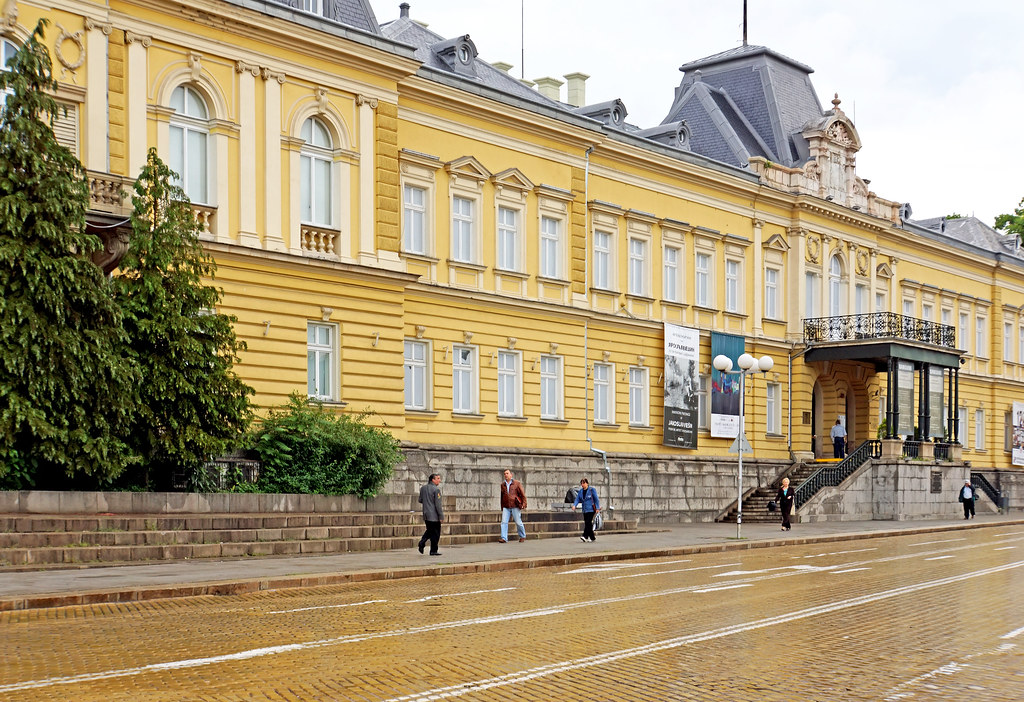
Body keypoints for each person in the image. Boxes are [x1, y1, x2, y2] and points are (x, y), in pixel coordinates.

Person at [417, 473, 444, 556]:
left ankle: (424, 544)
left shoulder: (423, 488)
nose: (439, 480)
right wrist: (441, 516)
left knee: (430, 530)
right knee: (435, 533)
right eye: (438, 478)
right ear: (433, 480)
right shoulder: (436, 490)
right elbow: (438, 505)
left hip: (426, 513)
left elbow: (420, 500)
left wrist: (427, 502)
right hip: (434, 515)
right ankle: (431, 549)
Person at [499, 468, 527, 543]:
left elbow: (522, 494)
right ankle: (504, 538)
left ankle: (522, 536)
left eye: (507, 473)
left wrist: (524, 504)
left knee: (518, 522)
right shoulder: (503, 485)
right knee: (504, 522)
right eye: (504, 474)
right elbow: (502, 496)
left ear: (511, 475)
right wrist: (502, 506)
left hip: (515, 505)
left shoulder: (517, 483)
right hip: (506, 506)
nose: (506, 475)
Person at [571, 477, 601, 542]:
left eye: (584, 483)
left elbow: (596, 499)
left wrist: (597, 508)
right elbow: (577, 499)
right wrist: (574, 505)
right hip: (585, 509)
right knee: (588, 523)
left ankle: (585, 536)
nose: (582, 485)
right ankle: (592, 537)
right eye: (581, 483)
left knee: (588, 522)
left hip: (591, 509)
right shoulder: (581, 491)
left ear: (587, 483)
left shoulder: (591, 490)